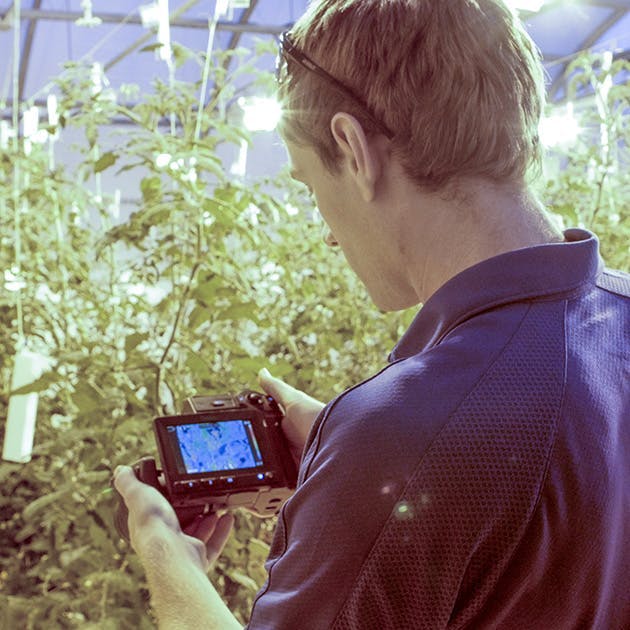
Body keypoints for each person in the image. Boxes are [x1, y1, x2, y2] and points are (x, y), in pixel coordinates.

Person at [113, 0, 630, 628]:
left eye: (309, 187)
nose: (328, 234)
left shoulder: (406, 431)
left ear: (354, 150)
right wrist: (346, 449)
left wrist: (168, 556)